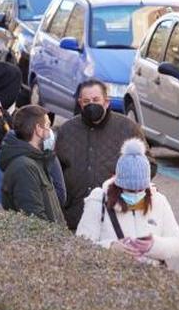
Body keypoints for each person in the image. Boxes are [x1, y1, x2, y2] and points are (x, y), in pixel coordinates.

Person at [56, 78, 155, 231]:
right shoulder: (66, 131)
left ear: (106, 102)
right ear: (80, 103)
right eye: (86, 101)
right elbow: (56, 171)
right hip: (75, 217)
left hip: (116, 216)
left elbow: (150, 166)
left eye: (96, 100)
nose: (91, 104)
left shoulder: (127, 128)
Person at [75, 138, 179, 265]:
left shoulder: (159, 201)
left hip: (151, 278)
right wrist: (110, 247)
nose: (135, 195)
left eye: (140, 190)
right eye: (129, 190)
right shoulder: (98, 200)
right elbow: (81, 245)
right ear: (118, 185)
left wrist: (153, 245)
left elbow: (177, 243)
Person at [0, 105, 64, 223]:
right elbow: (35, 219)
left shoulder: (37, 161)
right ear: (38, 129)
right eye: (48, 125)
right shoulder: (24, 167)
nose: (50, 131)